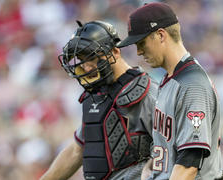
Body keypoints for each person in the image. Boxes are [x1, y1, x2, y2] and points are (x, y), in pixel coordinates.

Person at [40, 20, 157, 180]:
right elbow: (77, 150)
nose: (86, 67)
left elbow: (172, 151)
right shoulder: (95, 95)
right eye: (80, 59)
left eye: (90, 57)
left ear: (115, 52)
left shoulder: (147, 91)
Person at [118, 2, 222, 180]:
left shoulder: (192, 84)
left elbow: (189, 165)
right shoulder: (169, 79)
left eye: (141, 42)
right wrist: (152, 166)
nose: (139, 51)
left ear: (160, 35)